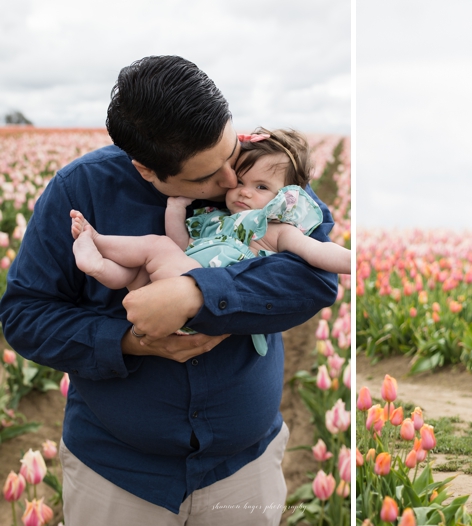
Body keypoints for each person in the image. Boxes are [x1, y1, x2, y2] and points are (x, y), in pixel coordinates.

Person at [0, 55, 337, 525]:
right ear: (146, 170)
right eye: (205, 176)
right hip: (118, 475)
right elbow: (26, 316)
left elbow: (316, 276)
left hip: (244, 467)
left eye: (230, 152)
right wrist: (128, 341)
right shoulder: (81, 189)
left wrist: (198, 294)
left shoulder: (264, 172)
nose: (230, 181)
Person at [71, 127, 352, 289]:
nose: (243, 190)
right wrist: (176, 210)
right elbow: (181, 243)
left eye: (261, 187)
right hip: (171, 284)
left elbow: (318, 250)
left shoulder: (277, 230)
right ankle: (98, 266)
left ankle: (97, 240)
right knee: (136, 273)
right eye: (240, 180)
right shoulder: (215, 219)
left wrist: (354, 260)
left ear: (286, 198)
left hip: (203, 291)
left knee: (156, 247)